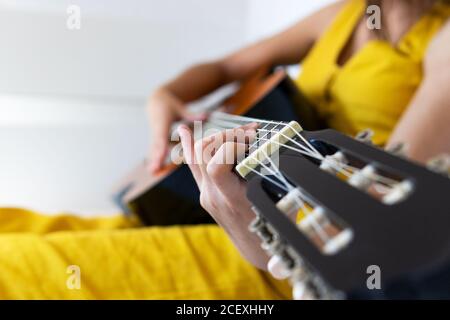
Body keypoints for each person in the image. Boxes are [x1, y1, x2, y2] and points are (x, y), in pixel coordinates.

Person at [0, 0, 449, 299]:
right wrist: (166, 96)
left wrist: (251, 234)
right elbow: (224, 67)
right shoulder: (347, 13)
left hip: (292, 255)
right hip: (237, 212)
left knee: (18, 269)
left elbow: (368, 224)